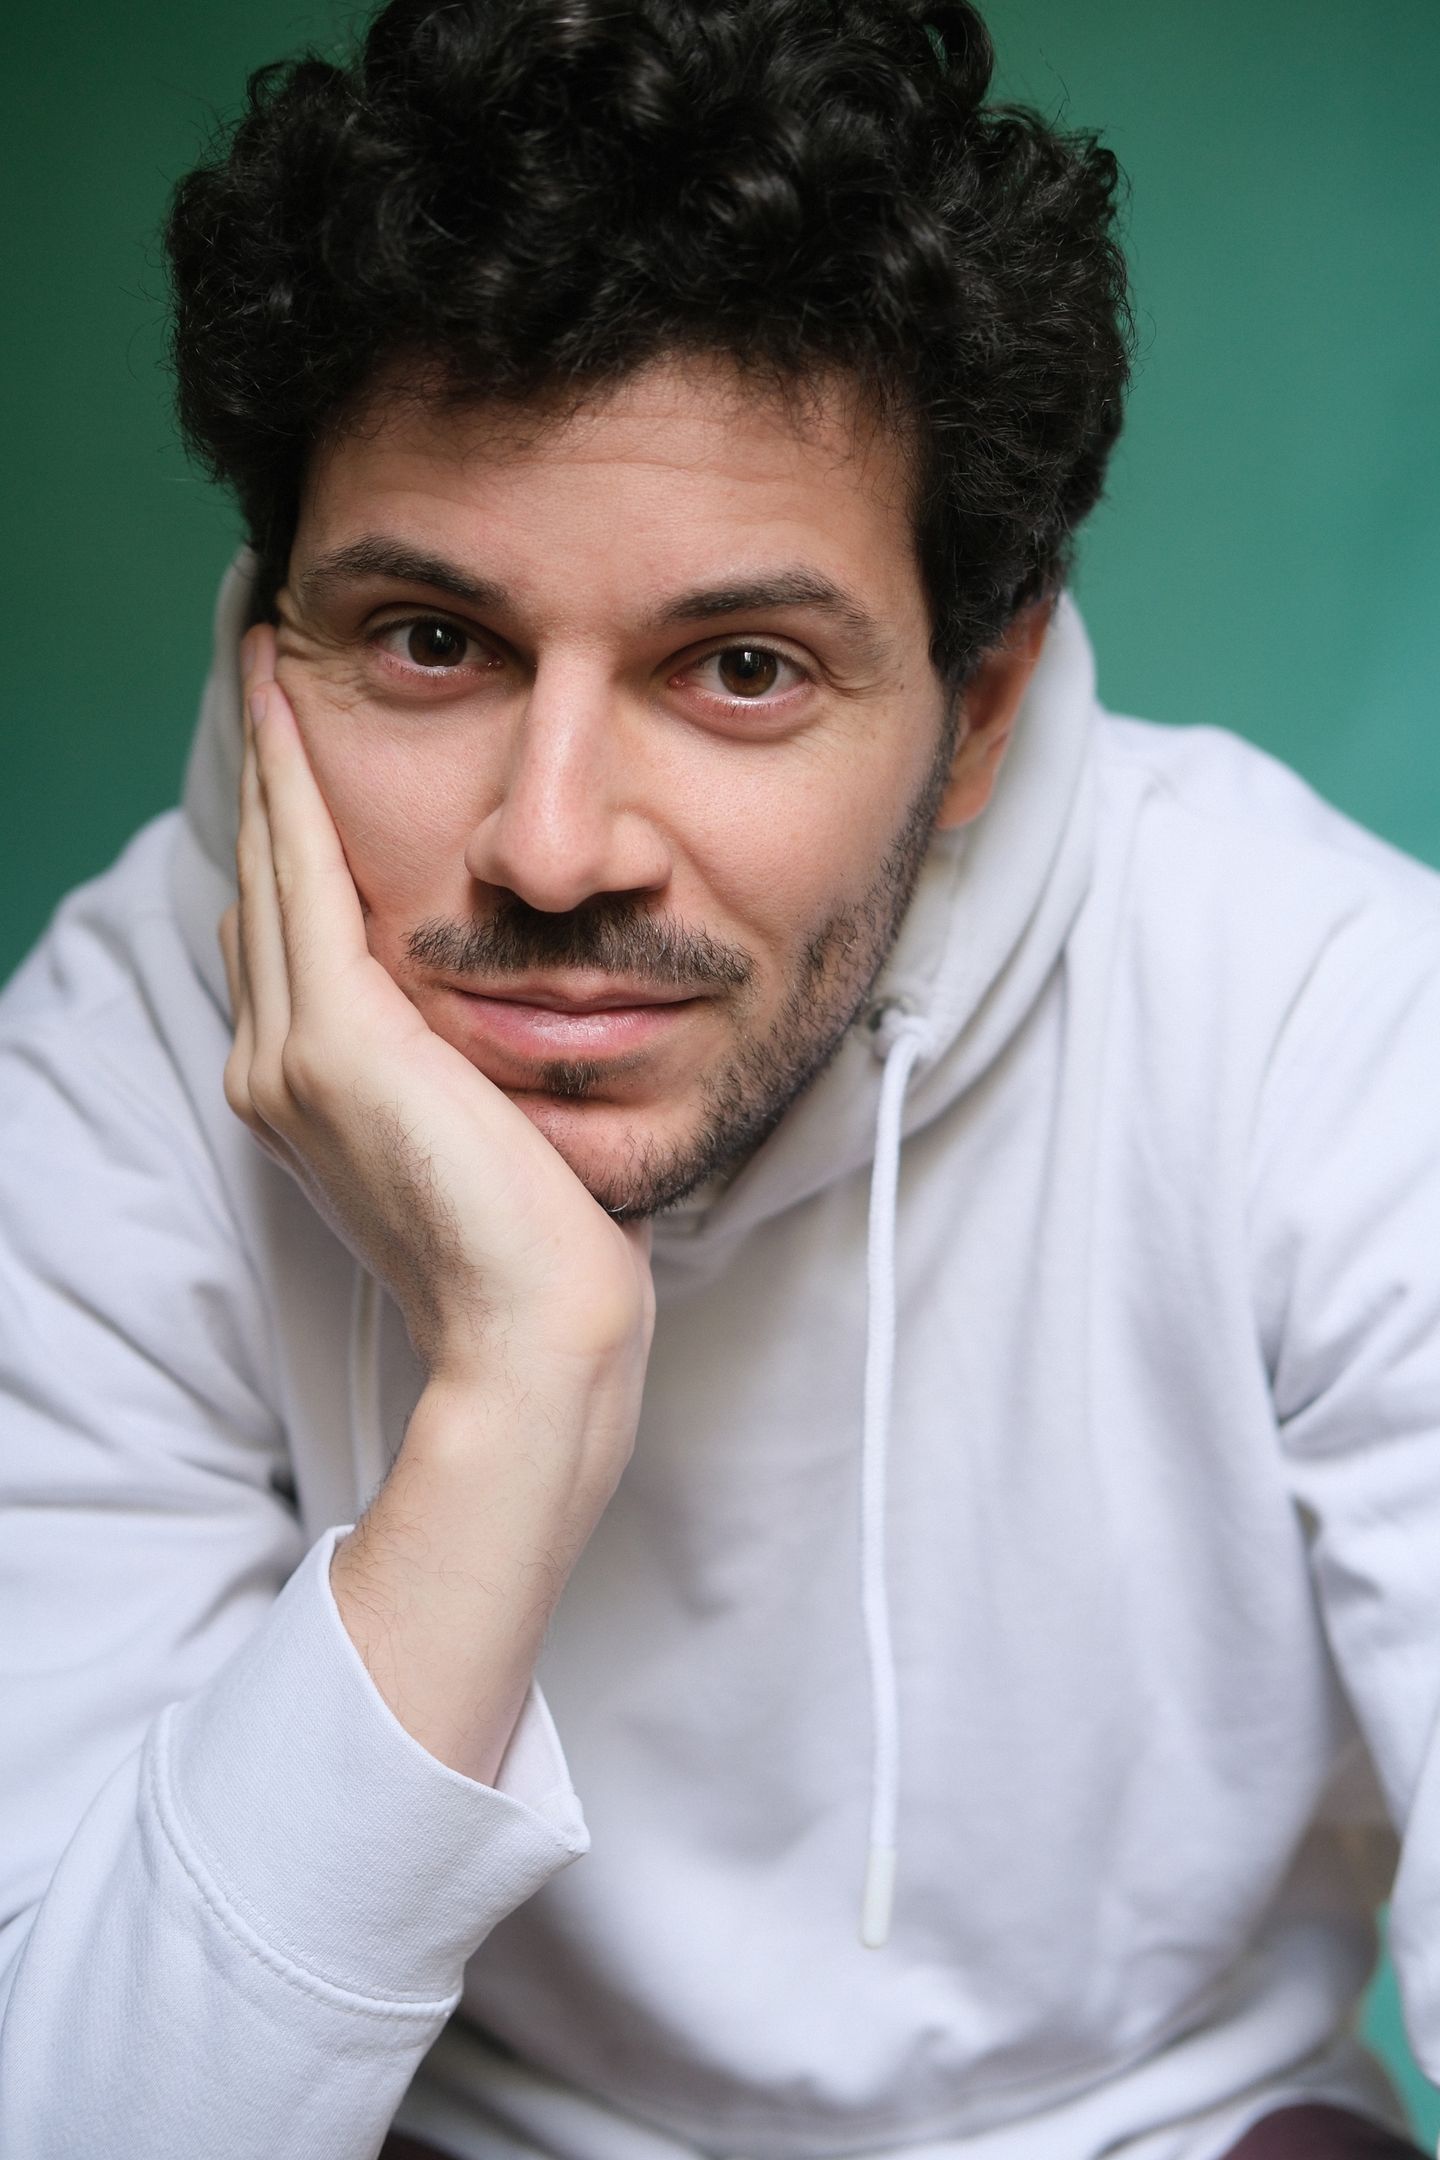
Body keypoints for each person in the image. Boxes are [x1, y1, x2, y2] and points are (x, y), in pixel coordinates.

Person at [3, 0, 1439, 2155]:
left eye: (741, 669)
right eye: (432, 642)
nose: (553, 846)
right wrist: (517, 1391)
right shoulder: (116, 1060)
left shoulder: (1332, 1022)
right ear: (266, 638)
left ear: (979, 704)